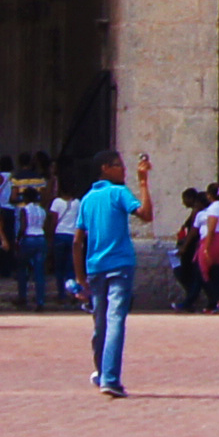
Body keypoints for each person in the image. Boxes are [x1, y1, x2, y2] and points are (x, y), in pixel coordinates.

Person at [74, 154, 142, 397]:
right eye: (119, 166)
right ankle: (110, 378)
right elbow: (145, 214)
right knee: (115, 321)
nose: (124, 171)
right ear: (105, 168)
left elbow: (77, 241)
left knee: (100, 322)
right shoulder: (119, 192)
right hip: (120, 264)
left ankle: (102, 372)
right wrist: (143, 182)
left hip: (95, 267)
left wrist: (80, 276)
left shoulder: (87, 199)